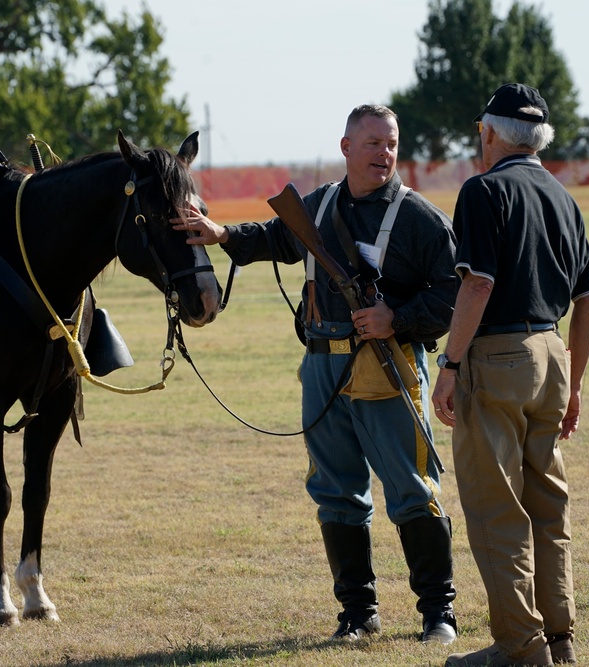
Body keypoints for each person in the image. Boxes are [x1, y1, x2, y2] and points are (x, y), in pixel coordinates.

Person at [174, 105, 459, 644]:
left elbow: (453, 295)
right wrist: (221, 234)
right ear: (347, 147)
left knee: (412, 488)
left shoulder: (420, 218)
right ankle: (357, 613)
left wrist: (395, 318)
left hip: (388, 363)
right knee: (335, 490)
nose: (385, 153)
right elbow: (275, 239)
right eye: (372, 142)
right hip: (321, 364)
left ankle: (437, 613)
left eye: (391, 143)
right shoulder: (319, 204)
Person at [431, 83, 589, 667]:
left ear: (488, 133)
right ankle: (561, 640)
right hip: (552, 355)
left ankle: (519, 647)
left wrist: (451, 364)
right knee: (548, 508)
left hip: (499, 359)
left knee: (496, 508)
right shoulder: (562, 194)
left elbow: (476, 284)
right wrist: (575, 384)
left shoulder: (483, 190)